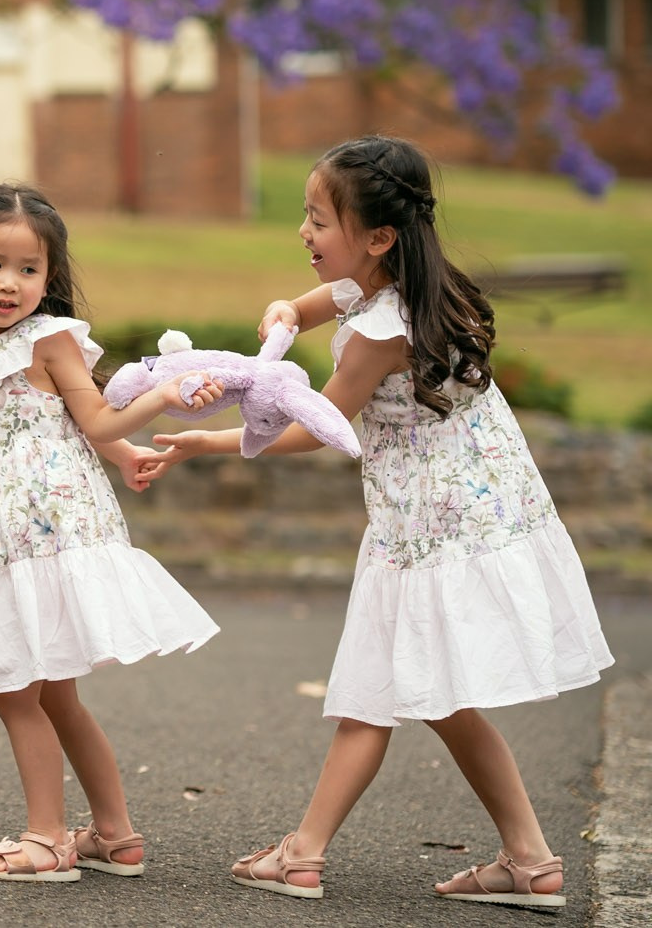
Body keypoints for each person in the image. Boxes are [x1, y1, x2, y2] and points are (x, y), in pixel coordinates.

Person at [153, 135, 613, 906]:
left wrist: (213, 431)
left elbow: (318, 425)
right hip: (470, 515)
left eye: (317, 220)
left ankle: (303, 852)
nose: (303, 232)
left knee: (376, 689)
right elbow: (306, 305)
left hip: (428, 534)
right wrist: (283, 312)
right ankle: (529, 860)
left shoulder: (379, 330)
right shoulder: (406, 285)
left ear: (377, 236)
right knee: (438, 696)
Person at [0, 183, 220, 883]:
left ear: (49, 278)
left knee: (17, 689)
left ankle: (47, 836)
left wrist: (156, 403)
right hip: (0, 535)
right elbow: (62, 420)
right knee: (54, 693)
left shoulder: (49, 337)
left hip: (45, 535)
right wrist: (127, 460)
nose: (9, 283)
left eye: (29, 270)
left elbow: (92, 415)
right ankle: (116, 834)